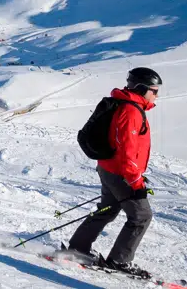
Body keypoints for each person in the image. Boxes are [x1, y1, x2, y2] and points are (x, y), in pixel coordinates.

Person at [64, 67, 162, 278]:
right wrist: (135, 180)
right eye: (154, 90)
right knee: (141, 216)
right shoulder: (131, 111)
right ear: (141, 89)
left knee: (107, 209)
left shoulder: (127, 105)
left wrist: (136, 172)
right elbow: (127, 151)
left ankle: (78, 247)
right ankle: (119, 261)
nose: (157, 95)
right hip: (120, 173)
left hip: (109, 168)